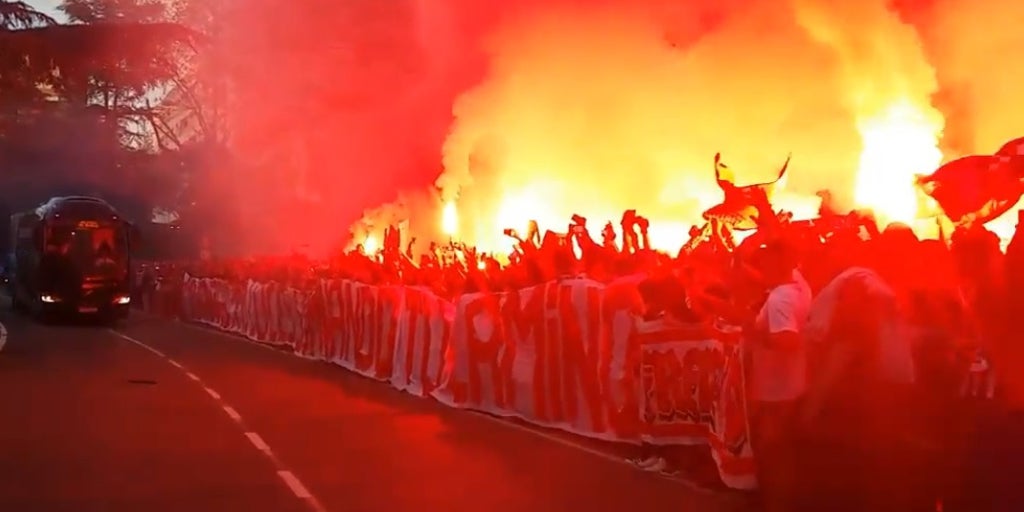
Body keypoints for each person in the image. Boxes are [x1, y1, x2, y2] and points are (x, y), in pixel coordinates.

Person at [744, 238, 811, 512]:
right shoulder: (799, 285)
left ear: (779, 263)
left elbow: (787, 340)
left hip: (776, 393)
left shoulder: (780, 298)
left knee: (774, 457)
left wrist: (751, 329)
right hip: (791, 386)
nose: (761, 265)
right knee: (785, 456)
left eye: (766, 260)